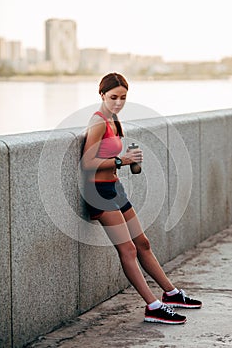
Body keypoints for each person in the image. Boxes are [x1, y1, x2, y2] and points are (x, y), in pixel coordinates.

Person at [81, 72, 202, 325]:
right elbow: (87, 163)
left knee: (143, 243)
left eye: (123, 98)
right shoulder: (98, 121)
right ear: (101, 94)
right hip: (99, 193)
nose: (118, 102)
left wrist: (126, 162)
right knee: (128, 249)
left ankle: (171, 294)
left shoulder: (114, 120)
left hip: (115, 188)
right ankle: (153, 306)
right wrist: (121, 160)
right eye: (113, 97)